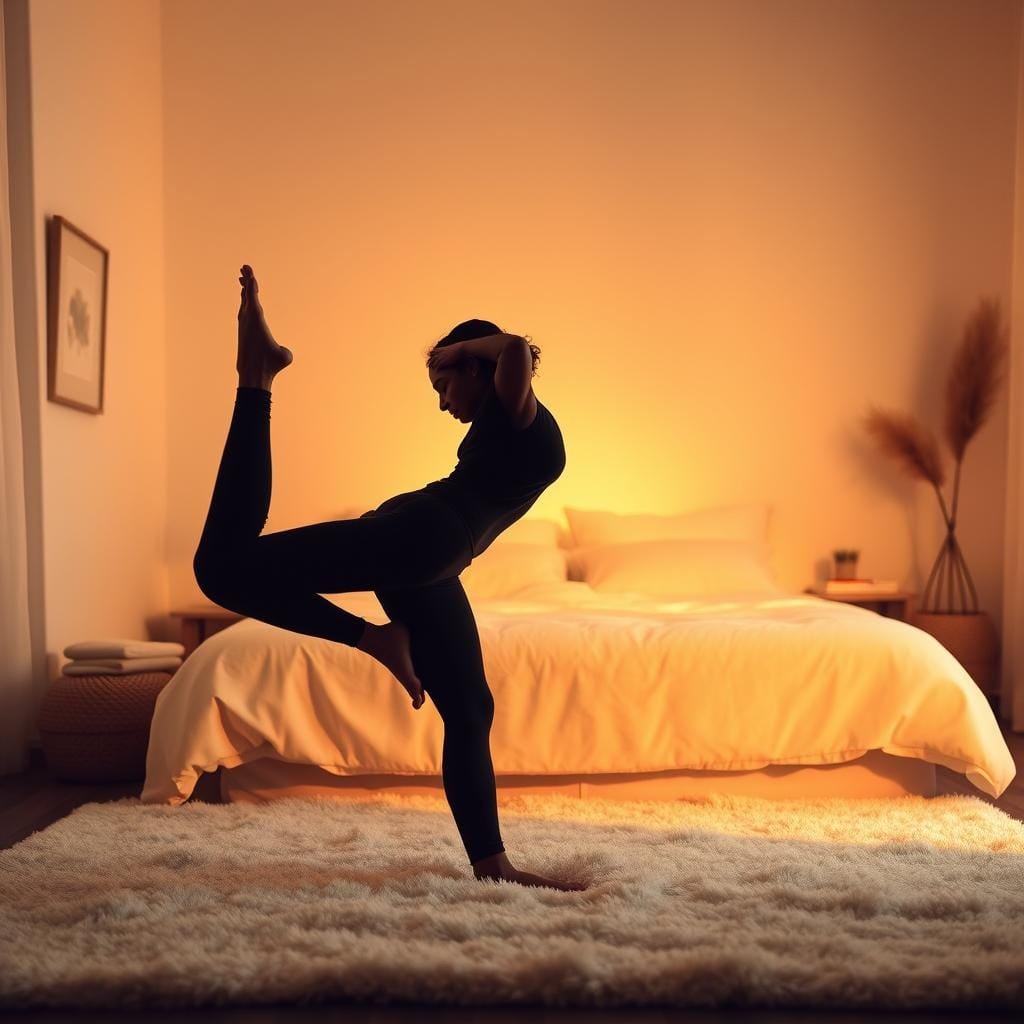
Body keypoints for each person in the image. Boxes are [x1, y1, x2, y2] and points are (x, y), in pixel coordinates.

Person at [193, 264, 585, 892]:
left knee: (470, 708)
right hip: (419, 543)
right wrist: (459, 358)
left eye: (444, 383)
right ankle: (257, 379)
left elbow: (513, 348)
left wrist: (460, 347)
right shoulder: (504, 421)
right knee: (219, 568)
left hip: (426, 550)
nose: (442, 402)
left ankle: (494, 867)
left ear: (474, 367)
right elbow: (508, 356)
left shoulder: (521, 416)